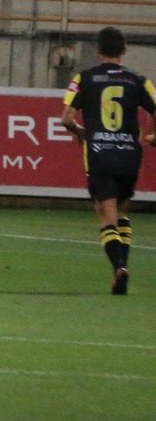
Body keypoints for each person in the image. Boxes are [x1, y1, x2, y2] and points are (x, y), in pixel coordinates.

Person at [59, 26, 156, 295]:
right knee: (123, 213)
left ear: (98, 50)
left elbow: (66, 118)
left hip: (100, 153)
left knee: (106, 216)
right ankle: (121, 267)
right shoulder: (139, 80)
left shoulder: (85, 78)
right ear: (124, 51)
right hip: (129, 154)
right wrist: (151, 136)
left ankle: (119, 267)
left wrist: (80, 132)